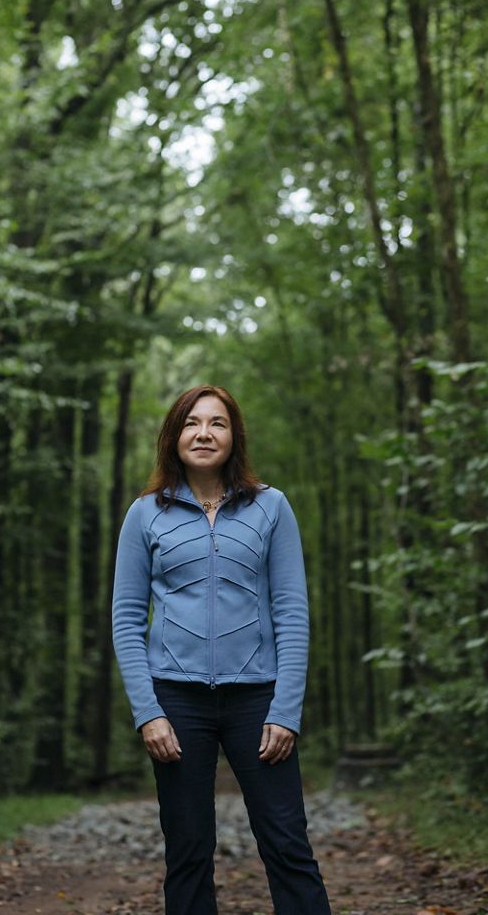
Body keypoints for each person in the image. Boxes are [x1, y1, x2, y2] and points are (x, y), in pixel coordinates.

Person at [112, 384, 333, 915]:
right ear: (174, 436)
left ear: (234, 437)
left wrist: (287, 711)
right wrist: (149, 714)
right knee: (187, 850)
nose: (204, 433)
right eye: (192, 423)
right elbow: (125, 620)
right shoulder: (146, 514)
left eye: (218, 423)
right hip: (176, 702)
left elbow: (292, 614)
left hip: (258, 699)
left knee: (287, 843)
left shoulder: (271, 508)